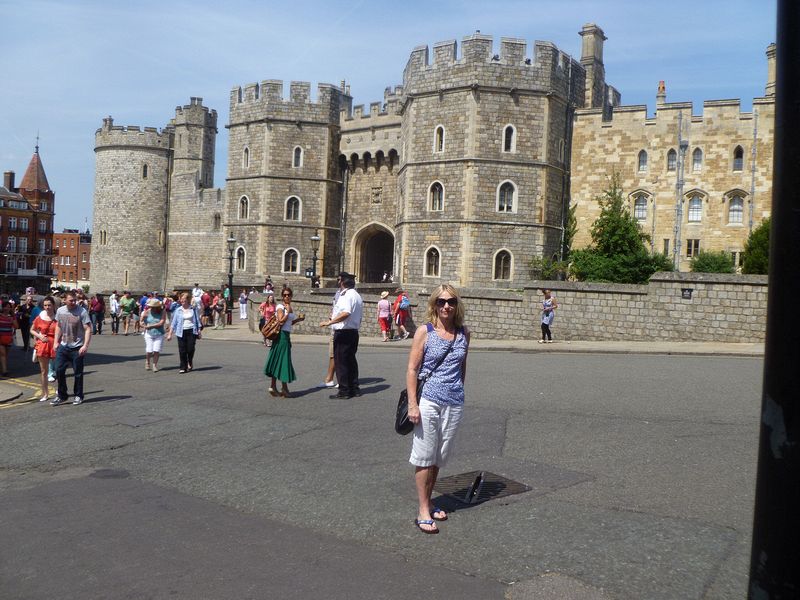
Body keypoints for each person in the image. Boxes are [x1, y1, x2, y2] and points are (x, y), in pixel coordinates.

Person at [406, 284, 470, 534]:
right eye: (442, 301)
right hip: (429, 401)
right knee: (424, 456)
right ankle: (423, 509)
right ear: (434, 304)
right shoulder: (425, 331)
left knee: (438, 457)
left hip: (453, 402)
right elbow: (412, 369)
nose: (447, 306)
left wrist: (459, 392)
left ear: (457, 305)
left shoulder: (464, 333)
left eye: (451, 301)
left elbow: (462, 366)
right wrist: (413, 403)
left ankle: (430, 501)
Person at [321, 274, 363, 399]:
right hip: (353, 332)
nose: (337, 282)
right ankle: (354, 388)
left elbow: (346, 313)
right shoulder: (357, 295)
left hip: (343, 332)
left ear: (343, 282)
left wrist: (330, 322)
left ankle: (344, 390)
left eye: (339, 279)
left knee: (341, 362)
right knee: (351, 361)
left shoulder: (346, 295)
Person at [52, 290, 92, 405]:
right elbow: (58, 327)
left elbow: (88, 329)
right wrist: (56, 342)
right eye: (71, 300)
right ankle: (62, 395)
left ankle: (78, 395)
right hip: (63, 346)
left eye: (75, 300)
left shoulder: (82, 311)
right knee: (59, 371)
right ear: (65, 300)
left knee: (78, 373)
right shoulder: (60, 311)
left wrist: (85, 345)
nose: (74, 302)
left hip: (77, 347)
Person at [264, 287, 304, 398]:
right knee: (283, 361)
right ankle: (284, 389)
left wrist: (298, 320)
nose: (287, 296)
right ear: (282, 296)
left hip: (285, 335)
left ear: (291, 296)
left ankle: (273, 386)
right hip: (281, 337)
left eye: (289, 295)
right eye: (285, 295)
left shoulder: (287, 306)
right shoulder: (281, 307)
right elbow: (281, 321)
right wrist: (288, 312)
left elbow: (288, 324)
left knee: (277, 360)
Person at [167, 292, 202, 373]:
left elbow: (197, 321)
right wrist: (170, 334)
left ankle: (190, 361)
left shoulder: (193, 309)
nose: (182, 300)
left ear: (188, 300)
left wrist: (199, 331)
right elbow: (173, 323)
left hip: (192, 331)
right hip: (181, 331)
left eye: (184, 299)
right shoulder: (178, 310)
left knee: (190, 349)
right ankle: (183, 367)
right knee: (182, 350)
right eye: (181, 299)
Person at [30, 296, 57, 402]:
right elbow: (32, 330)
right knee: (44, 371)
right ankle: (45, 393)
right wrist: (40, 336)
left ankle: (60, 390)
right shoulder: (40, 317)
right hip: (43, 345)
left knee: (59, 369)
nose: (47, 307)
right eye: (45, 305)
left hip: (55, 345)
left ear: (54, 305)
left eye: (49, 305)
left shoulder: (58, 317)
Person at [141, 298, 167, 372]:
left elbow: (161, 323)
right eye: (151, 306)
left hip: (159, 333)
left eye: (153, 307)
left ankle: (154, 365)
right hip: (149, 334)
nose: (152, 308)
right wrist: (142, 324)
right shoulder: (147, 311)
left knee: (156, 350)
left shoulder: (163, 312)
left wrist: (151, 326)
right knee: (149, 350)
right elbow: (141, 321)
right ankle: (147, 361)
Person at [0, 300, 20, 376]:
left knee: (5, 355)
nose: (7, 308)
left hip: (8, 338)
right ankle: (4, 371)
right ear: (3, 307)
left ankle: (2, 367)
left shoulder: (12, 317)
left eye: (9, 307)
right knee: (3, 354)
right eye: (6, 307)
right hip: (0, 337)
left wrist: (13, 318)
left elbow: (17, 326)